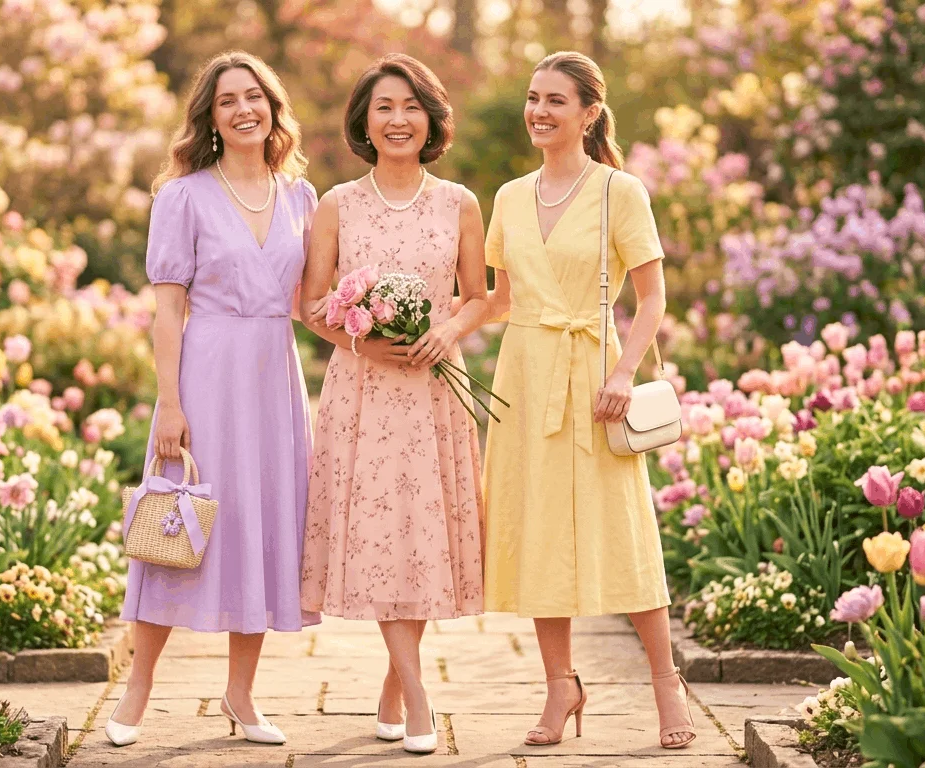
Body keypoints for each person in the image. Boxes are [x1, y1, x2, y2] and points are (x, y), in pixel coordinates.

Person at [479, 51, 696, 750]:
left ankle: (667, 687)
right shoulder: (511, 196)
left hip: (597, 377)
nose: (539, 111)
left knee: (624, 534)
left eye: (556, 100)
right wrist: (415, 323)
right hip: (524, 378)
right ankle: (559, 688)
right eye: (533, 98)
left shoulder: (618, 192)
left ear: (589, 112)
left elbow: (653, 295)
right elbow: (502, 300)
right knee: (538, 535)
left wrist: (625, 371)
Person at [105, 50, 319, 748]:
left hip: (275, 377)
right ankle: (137, 690)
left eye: (254, 96)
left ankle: (241, 694)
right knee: (174, 526)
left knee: (259, 526)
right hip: (205, 372)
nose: (243, 109)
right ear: (211, 117)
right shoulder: (184, 195)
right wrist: (170, 403)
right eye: (227, 100)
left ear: (273, 107)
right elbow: (168, 310)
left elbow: (313, 305)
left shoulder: (300, 198)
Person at [297, 53, 488, 755]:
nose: (398, 119)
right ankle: (419, 701)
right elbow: (310, 302)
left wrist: (445, 329)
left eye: (410, 106)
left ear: (430, 119)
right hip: (365, 391)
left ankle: (392, 684)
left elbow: (481, 296)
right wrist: (361, 340)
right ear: (365, 123)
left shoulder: (460, 202)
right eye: (384, 108)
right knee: (385, 539)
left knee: (422, 539)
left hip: (437, 388)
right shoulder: (336, 204)